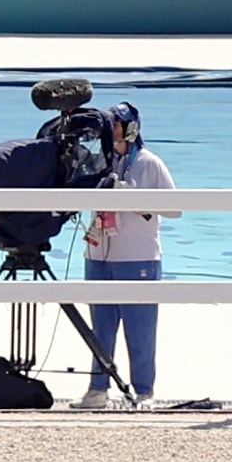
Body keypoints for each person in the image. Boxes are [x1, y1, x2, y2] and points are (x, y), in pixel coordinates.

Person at [81, 110, 179, 406]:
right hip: (99, 255)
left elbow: (176, 208)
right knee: (100, 329)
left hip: (138, 258)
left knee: (140, 331)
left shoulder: (149, 163)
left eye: (117, 125)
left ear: (131, 128)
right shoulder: (101, 161)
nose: (111, 130)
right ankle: (98, 389)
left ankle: (144, 391)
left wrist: (135, 200)